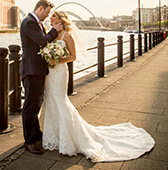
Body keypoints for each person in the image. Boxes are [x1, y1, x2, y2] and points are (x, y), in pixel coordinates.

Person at [39, 10, 155, 162]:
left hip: (59, 71)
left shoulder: (67, 35)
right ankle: (52, 135)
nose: (50, 17)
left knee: (60, 100)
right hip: (51, 73)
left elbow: (73, 56)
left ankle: (71, 136)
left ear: (61, 19)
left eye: (53, 15)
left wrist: (57, 60)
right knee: (50, 99)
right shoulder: (52, 34)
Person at [20, 0, 63, 155]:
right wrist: (55, 30)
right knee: (30, 106)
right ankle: (29, 141)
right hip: (31, 71)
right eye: (46, 12)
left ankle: (36, 134)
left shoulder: (35, 23)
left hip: (36, 70)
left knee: (36, 104)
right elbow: (42, 41)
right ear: (40, 9)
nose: (47, 16)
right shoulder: (29, 23)